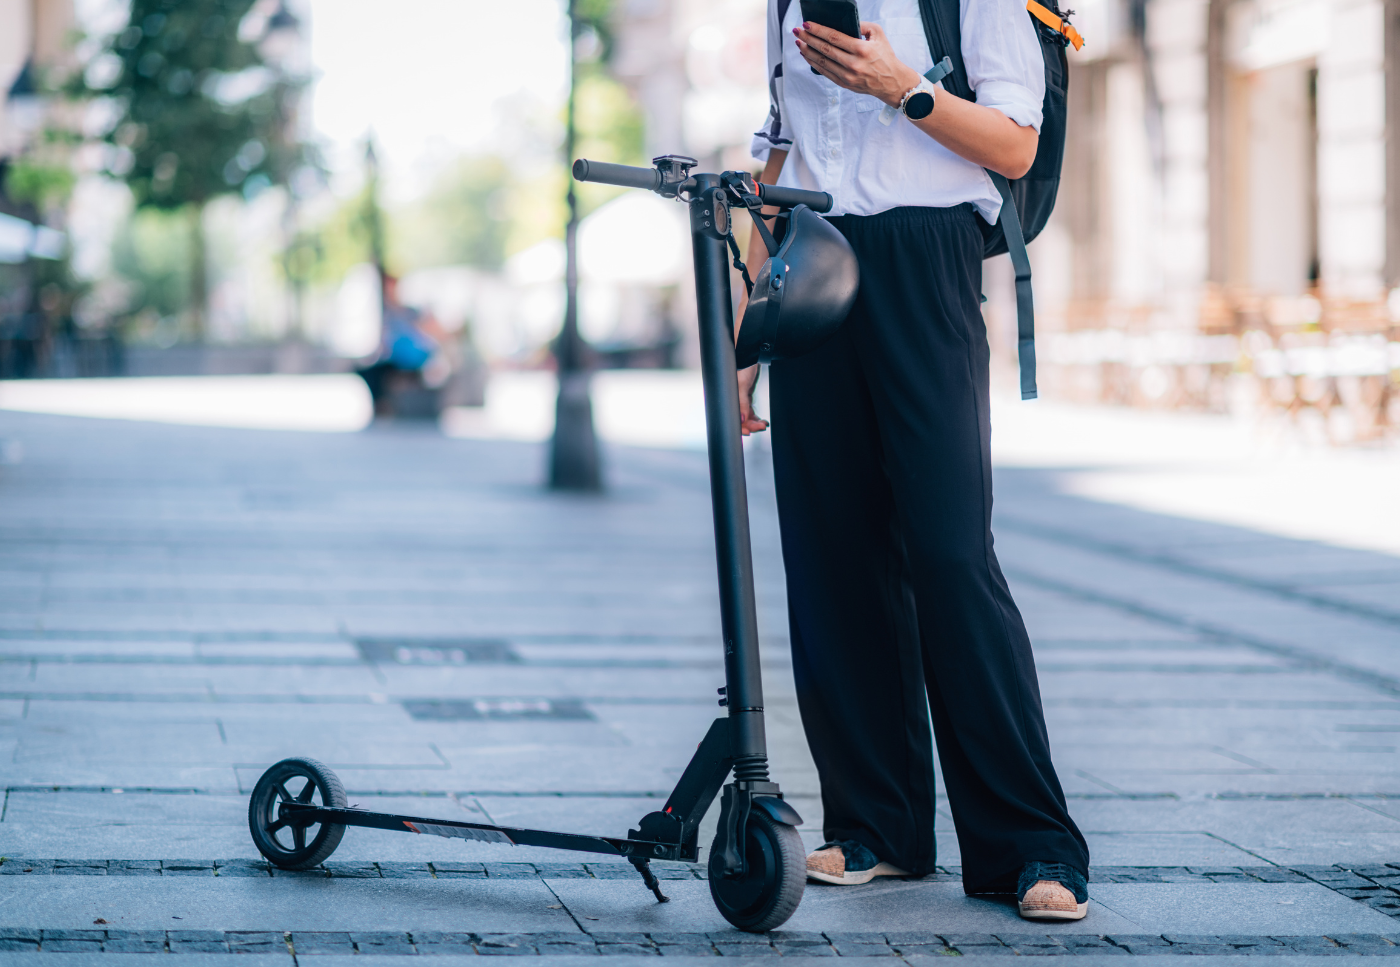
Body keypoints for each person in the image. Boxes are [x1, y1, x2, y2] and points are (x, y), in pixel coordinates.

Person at [740, 0, 1091, 921]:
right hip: (812, 259)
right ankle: (877, 829)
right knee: (830, 558)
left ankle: (1033, 843)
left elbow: (1015, 147)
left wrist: (904, 89)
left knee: (948, 555)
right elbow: (776, 155)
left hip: (925, 256)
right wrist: (748, 332)